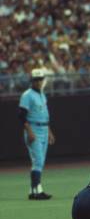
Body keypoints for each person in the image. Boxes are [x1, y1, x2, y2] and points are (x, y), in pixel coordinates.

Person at [18, 68, 56, 200]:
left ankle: (32, 190)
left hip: (44, 129)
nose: (39, 82)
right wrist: (29, 131)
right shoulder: (27, 95)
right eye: (36, 80)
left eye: (41, 79)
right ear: (32, 81)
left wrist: (49, 132)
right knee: (38, 161)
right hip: (33, 129)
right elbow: (22, 116)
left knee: (39, 161)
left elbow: (44, 114)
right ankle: (37, 190)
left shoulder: (41, 94)